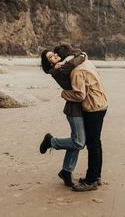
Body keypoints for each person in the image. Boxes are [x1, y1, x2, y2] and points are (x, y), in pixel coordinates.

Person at [58, 44, 108, 192]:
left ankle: (91, 181)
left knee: (92, 144)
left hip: (93, 107)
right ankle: (96, 176)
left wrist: (63, 94)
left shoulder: (77, 72)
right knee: (96, 143)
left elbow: (80, 95)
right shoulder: (85, 61)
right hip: (101, 104)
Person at [40, 46, 86, 187]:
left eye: (53, 53)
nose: (54, 55)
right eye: (50, 57)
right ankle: (51, 141)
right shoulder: (57, 70)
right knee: (79, 142)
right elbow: (78, 58)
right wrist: (80, 56)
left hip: (79, 106)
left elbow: (78, 51)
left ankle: (66, 171)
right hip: (74, 109)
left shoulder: (62, 64)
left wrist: (78, 54)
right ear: (50, 63)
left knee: (75, 142)